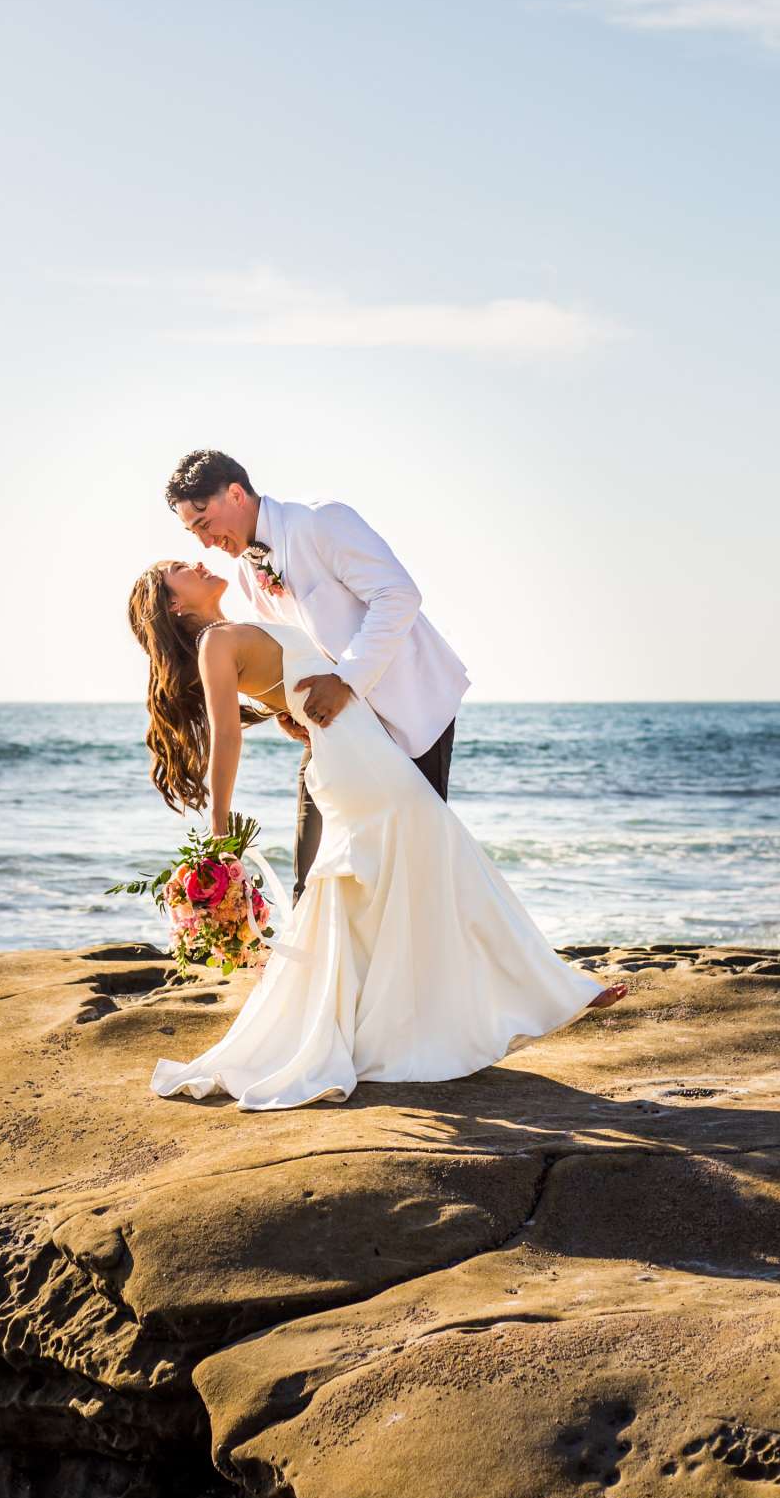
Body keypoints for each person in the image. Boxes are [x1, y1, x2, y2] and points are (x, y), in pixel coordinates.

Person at [126, 559, 626, 1111]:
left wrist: (291, 714)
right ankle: (551, 990)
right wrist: (220, 830)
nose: (195, 562)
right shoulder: (216, 641)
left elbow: (291, 688)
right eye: (178, 569)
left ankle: (383, 1025)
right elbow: (224, 737)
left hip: (357, 754)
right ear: (174, 604)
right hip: (358, 766)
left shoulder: (236, 628)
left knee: (381, 885)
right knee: (437, 861)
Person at [164, 448, 466, 898]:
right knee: (325, 869)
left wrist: (345, 679)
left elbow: (398, 595)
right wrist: (289, 711)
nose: (206, 543)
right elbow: (302, 653)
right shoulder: (249, 577)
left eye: (205, 524)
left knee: (414, 860)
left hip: (413, 707)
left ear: (234, 494)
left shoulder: (320, 521)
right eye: (194, 533)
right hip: (342, 733)